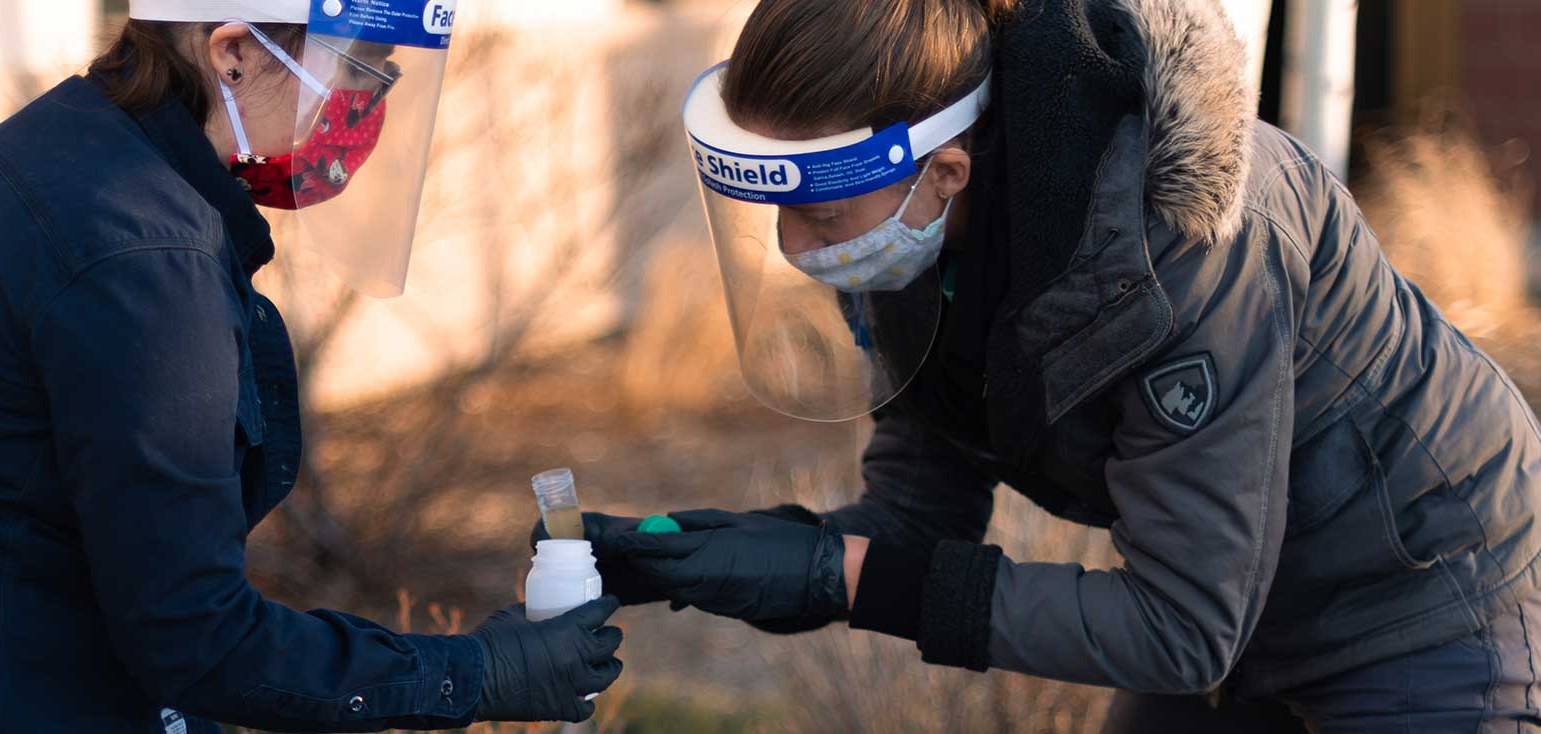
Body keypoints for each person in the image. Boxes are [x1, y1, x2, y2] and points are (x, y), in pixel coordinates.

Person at [546, 0, 1541, 731]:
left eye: (817, 209)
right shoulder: (912, 233)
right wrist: (765, 557)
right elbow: (916, 522)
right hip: (1232, 591)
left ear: (946, 172)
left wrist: (851, 580)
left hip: (1429, 592)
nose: (791, 246)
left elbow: (1181, 629)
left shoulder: (1179, 241)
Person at [0, 1, 622, 732]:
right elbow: (196, 638)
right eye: (359, 67)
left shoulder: (67, 156)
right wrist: (475, 674)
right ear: (233, 52)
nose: (368, 105)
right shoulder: (137, 253)